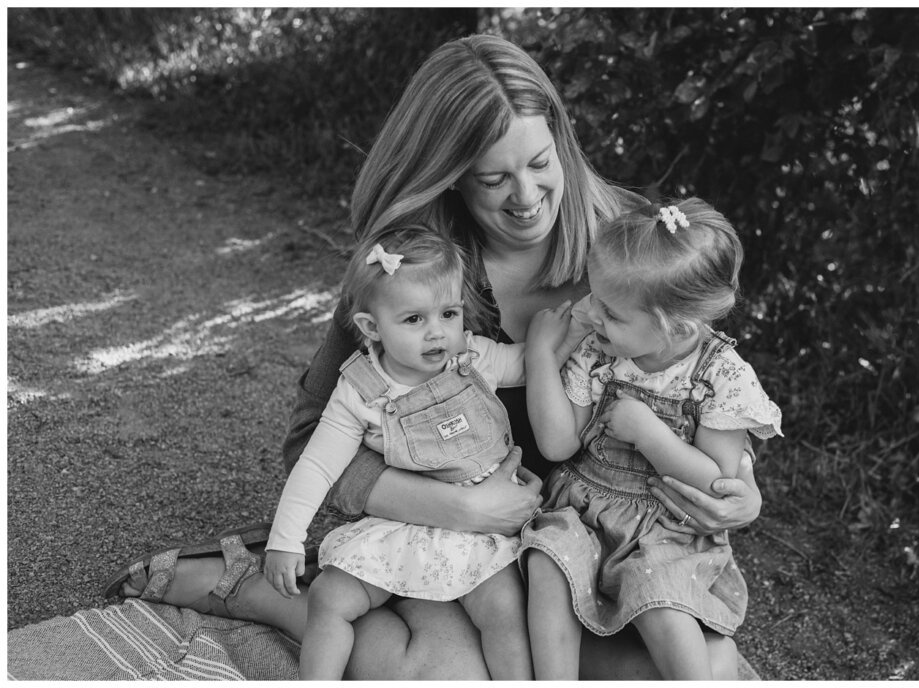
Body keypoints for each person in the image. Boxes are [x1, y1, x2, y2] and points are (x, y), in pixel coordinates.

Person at [106, 34, 764, 679]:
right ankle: (268, 590)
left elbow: (694, 372)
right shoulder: (411, 277)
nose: (527, 197)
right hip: (456, 531)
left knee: (708, 663)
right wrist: (462, 511)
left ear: (562, 142)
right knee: (445, 674)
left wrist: (739, 487)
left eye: (540, 163)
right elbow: (311, 440)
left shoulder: (630, 248)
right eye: (493, 179)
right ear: (451, 179)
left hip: (589, 534)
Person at [521, 197, 783, 679]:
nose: (592, 315)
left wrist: (647, 432)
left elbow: (717, 481)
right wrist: (540, 355)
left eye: (612, 313)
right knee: (547, 560)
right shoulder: (599, 354)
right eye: (594, 298)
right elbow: (558, 445)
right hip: (583, 511)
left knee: (659, 591)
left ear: (676, 327)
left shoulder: (722, 378)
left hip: (668, 530)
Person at [263, 226, 531, 679]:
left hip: (484, 535)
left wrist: (572, 332)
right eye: (414, 320)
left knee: (505, 608)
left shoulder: (472, 359)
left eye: (449, 313)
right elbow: (317, 464)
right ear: (372, 328)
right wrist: (285, 539)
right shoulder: (362, 389)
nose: (438, 334)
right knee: (330, 596)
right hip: (404, 526)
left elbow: (529, 363)